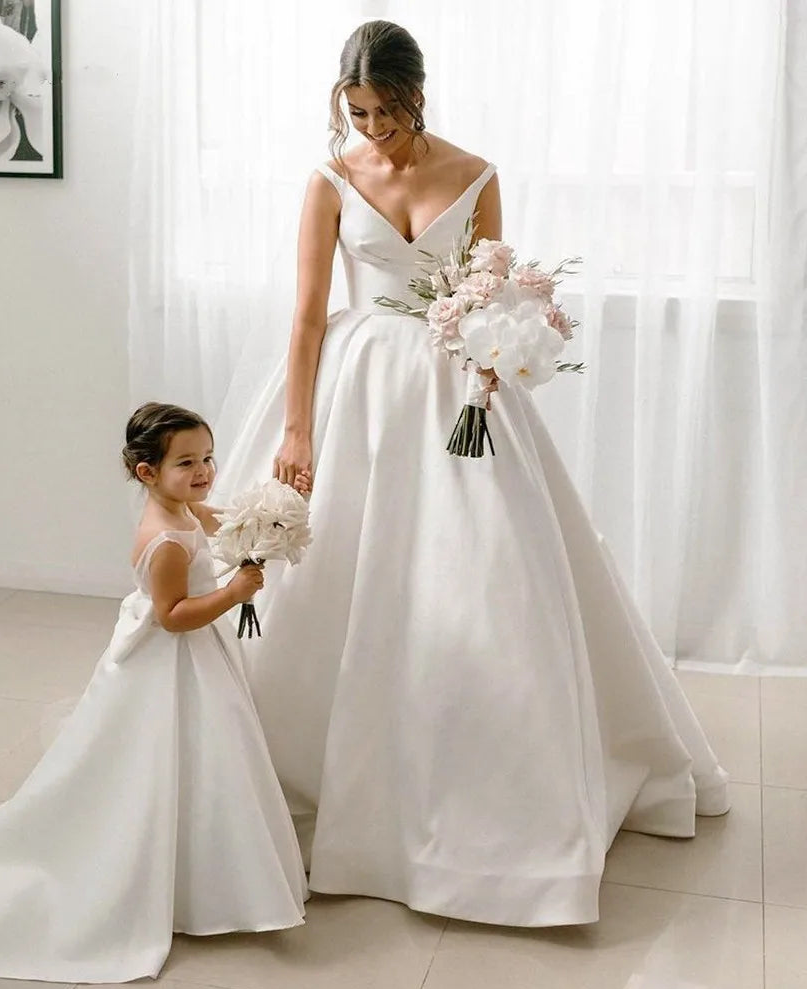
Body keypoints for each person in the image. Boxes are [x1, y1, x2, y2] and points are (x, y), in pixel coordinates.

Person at [211, 20, 729, 928]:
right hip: (357, 390)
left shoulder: (478, 174)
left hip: (457, 394)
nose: (373, 128)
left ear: (418, 94)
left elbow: (493, 292)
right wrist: (297, 429)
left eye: (387, 110)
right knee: (340, 575)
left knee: (481, 578)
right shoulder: (330, 181)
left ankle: (485, 786)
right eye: (357, 112)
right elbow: (307, 316)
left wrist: (493, 362)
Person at [0, 403, 308, 983]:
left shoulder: (183, 510)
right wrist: (233, 593)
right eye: (187, 463)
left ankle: (200, 871)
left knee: (207, 761)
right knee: (159, 759)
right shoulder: (164, 541)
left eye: (208, 458)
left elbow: (219, 521)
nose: (204, 471)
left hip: (200, 660)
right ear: (147, 472)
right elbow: (173, 616)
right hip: (171, 659)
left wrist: (267, 521)